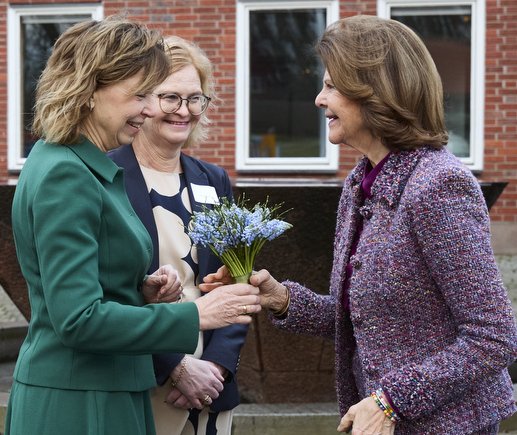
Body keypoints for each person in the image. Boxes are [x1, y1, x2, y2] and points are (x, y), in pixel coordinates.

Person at [201, 15, 517, 435]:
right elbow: (365, 320)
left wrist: (390, 402)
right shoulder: (361, 182)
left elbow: (493, 336)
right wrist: (280, 298)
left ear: (376, 91)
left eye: (332, 86)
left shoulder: (438, 186)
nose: (318, 99)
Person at [5, 17, 260, 435]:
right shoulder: (66, 172)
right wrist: (196, 314)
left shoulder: (73, 163)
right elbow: (77, 320)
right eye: (142, 94)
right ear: (90, 90)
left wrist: (138, 290)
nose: (148, 108)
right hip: (82, 403)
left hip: (105, 392)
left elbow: (83, 286)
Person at [109, 36, 247, 435]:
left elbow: (237, 279)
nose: (184, 111)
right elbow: (109, 293)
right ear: (141, 102)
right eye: (170, 97)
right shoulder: (105, 177)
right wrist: (176, 366)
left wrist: (218, 366)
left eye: (194, 98)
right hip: (144, 384)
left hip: (211, 391)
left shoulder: (214, 180)